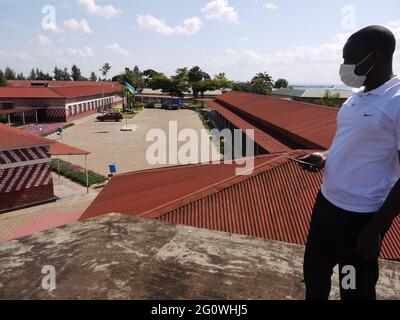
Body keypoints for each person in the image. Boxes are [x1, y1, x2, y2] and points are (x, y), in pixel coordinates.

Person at [301, 25, 400, 300]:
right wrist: (325, 156)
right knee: (315, 276)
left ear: (376, 57)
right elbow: (347, 142)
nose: (345, 66)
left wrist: (375, 229)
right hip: (326, 206)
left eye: (350, 58)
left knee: (353, 289)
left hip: (359, 219)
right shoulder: (357, 98)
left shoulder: (397, 101)